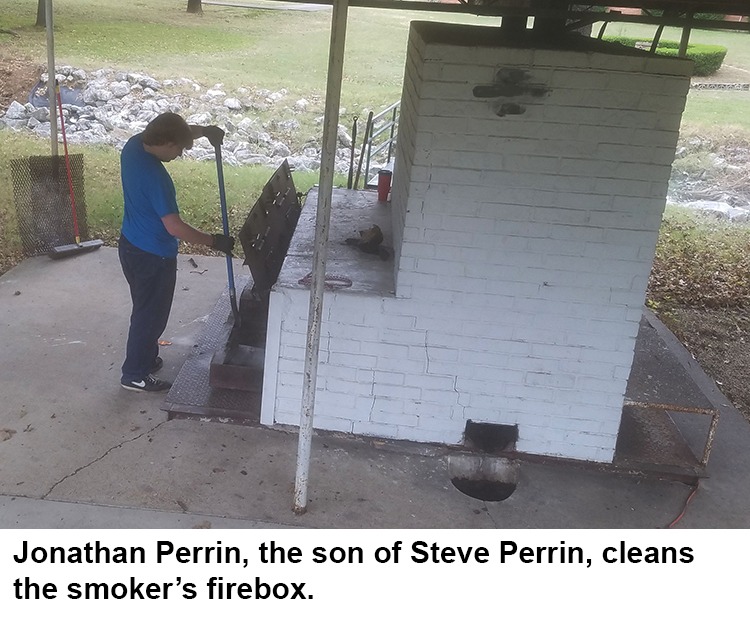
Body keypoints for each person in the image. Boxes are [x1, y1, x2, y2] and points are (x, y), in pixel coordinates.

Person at [118, 112, 234, 392]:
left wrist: (203, 130)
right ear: (167, 144)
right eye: (180, 149)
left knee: (144, 309)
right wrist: (213, 241)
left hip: (130, 246)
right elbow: (174, 227)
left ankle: (144, 358)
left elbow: (172, 131)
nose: (180, 153)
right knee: (150, 316)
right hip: (153, 256)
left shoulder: (133, 146)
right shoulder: (156, 178)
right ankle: (134, 374)